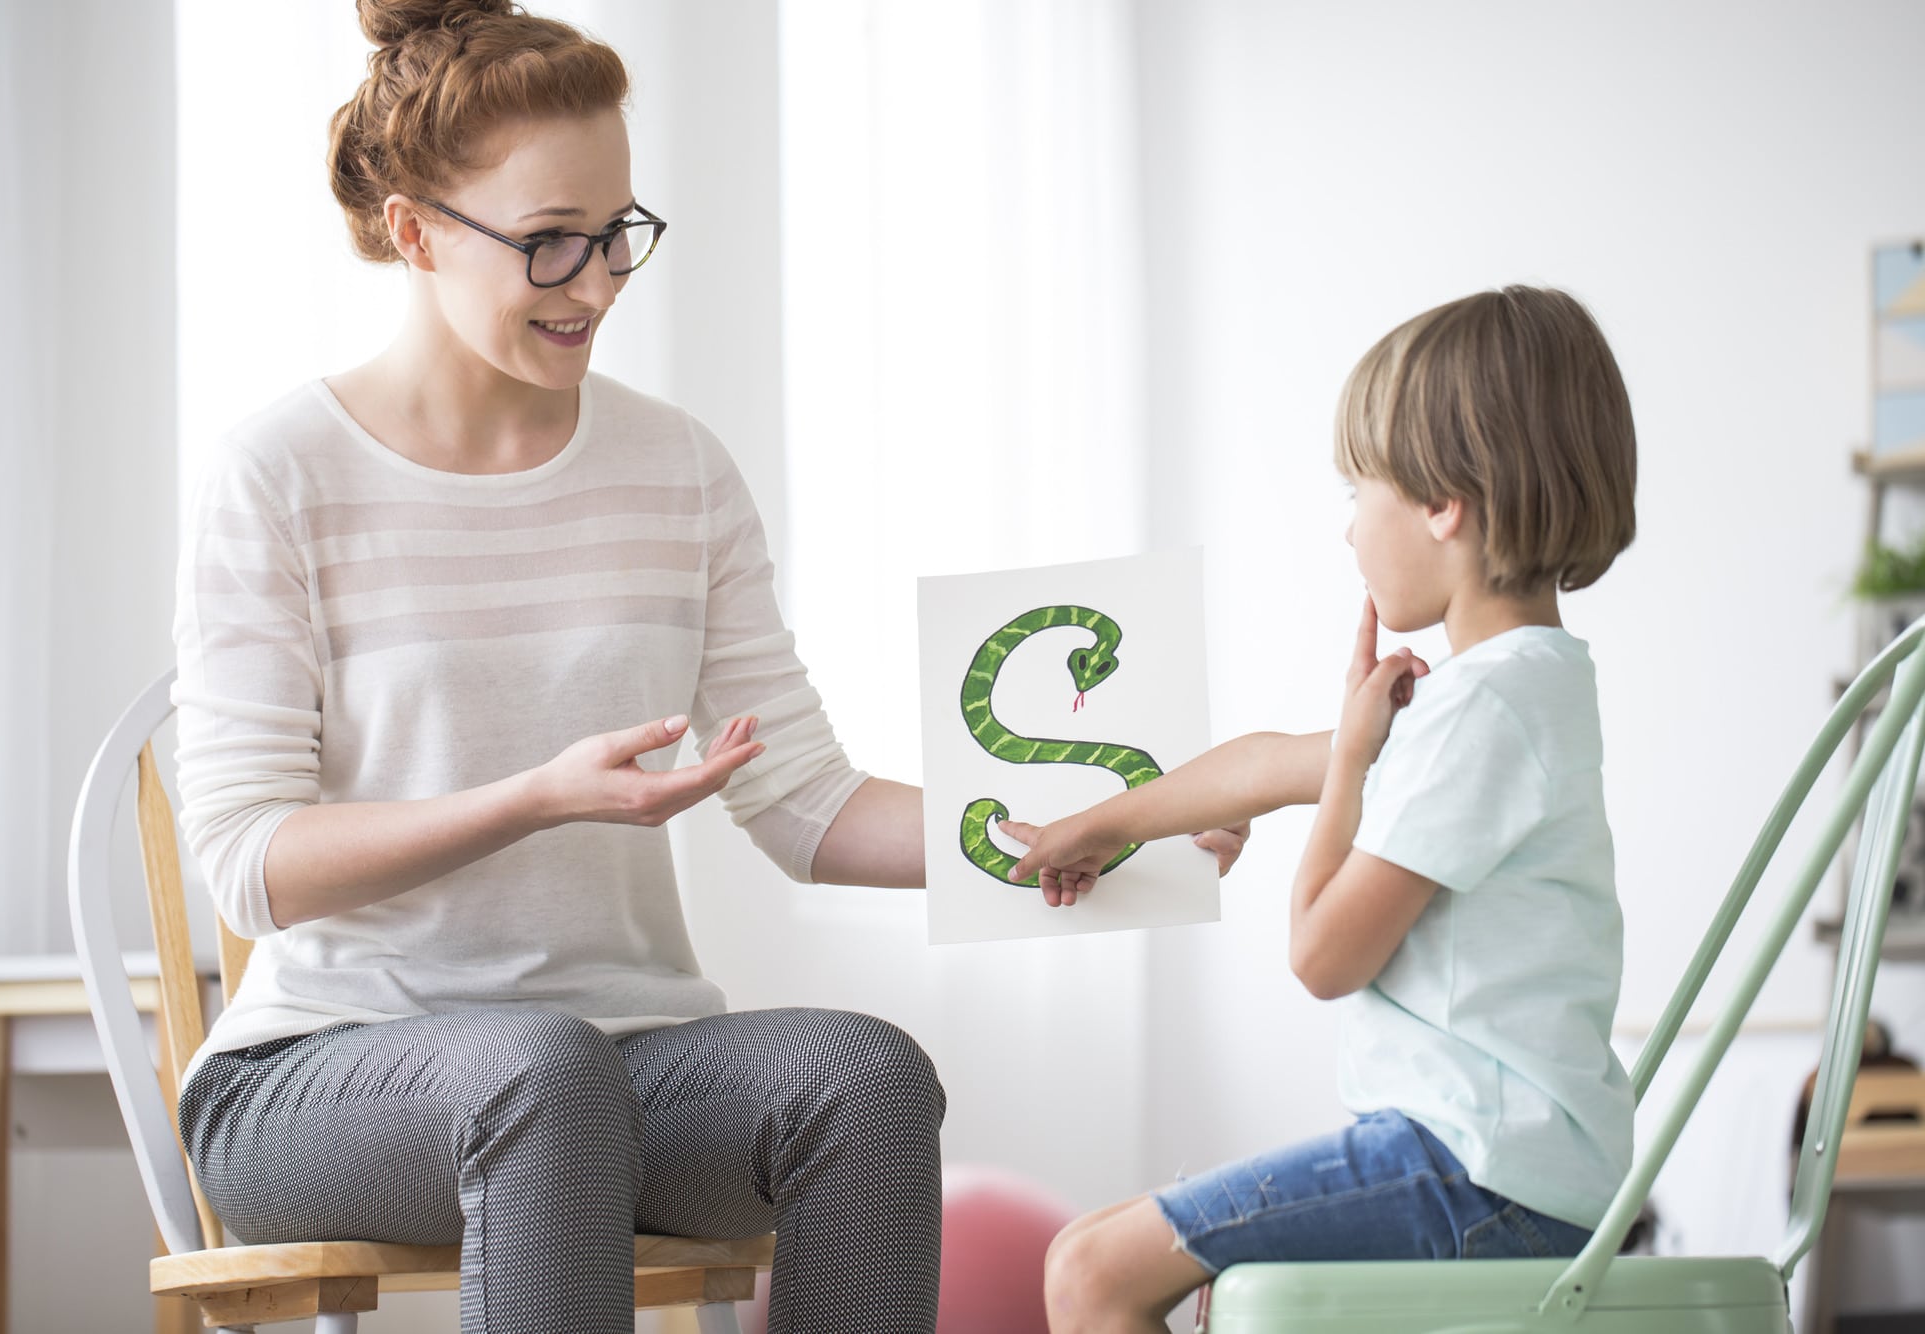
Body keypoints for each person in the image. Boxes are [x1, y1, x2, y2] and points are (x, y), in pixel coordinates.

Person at [170, 5, 1246, 1332]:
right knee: (538, 1073)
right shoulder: (280, 473)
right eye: (550, 241)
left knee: (866, 1073)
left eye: (619, 232)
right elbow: (248, 861)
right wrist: (534, 795)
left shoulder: (674, 469)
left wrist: (1118, 817)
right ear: (415, 231)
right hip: (318, 1078)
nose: (598, 280)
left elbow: (805, 804)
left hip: (612, 1069)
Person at [1004, 286, 1640, 1333]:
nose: (1348, 531)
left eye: (1359, 491)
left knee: (1090, 1272)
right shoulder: (1520, 685)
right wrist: (1112, 819)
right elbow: (1263, 764)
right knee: (1114, 1244)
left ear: (1443, 502)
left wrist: (1347, 766)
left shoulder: (1476, 710)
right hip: (1519, 1166)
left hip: (1476, 1173)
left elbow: (1319, 954)